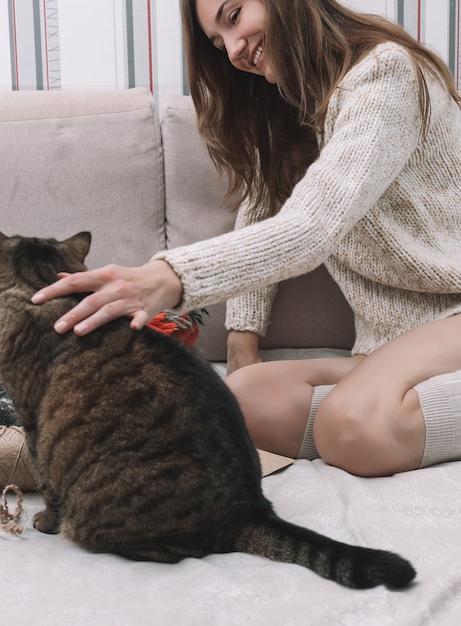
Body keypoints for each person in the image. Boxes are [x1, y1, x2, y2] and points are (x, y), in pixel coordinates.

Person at [32, 0, 461, 478]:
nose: (234, 50)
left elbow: (311, 225)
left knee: (352, 426)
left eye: (234, 17)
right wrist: (243, 342)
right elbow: (263, 213)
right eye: (219, 43)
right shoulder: (296, 110)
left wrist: (169, 276)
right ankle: (389, 405)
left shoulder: (385, 72)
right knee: (244, 399)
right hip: (388, 344)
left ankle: (373, 413)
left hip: (453, 315)